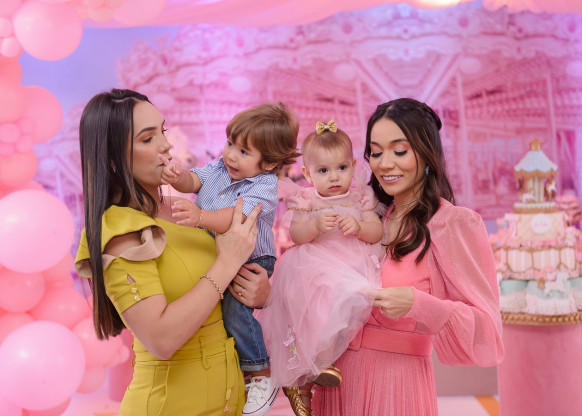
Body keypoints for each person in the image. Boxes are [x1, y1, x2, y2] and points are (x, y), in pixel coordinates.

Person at [74, 89, 271, 416]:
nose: (166, 145)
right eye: (147, 138)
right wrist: (227, 263)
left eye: (162, 131)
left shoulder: (183, 209)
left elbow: (218, 301)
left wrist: (260, 292)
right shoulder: (121, 230)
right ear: (112, 159)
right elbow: (161, 339)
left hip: (228, 398)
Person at [311, 98, 505, 415]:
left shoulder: (451, 223)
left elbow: (488, 333)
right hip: (337, 380)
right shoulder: (366, 216)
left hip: (396, 385)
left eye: (399, 151)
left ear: (427, 154)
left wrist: (420, 304)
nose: (385, 163)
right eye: (376, 152)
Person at [160, 102, 300, 416]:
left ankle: (260, 372)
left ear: (269, 163)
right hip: (219, 254)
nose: (231, 156)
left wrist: (200, 216)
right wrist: (177, 176)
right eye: (230, 144)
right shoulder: (219, 168)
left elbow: (235, 217)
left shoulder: (265, 187)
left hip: (251, 259)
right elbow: (193, 181)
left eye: (244, 152)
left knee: (235, 310)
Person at [258, 120, 383, 416]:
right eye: (324, 171)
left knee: (345, 302)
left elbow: (376, 231)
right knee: (317, 304)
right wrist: (314, 225)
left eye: (342, 168)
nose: (334, 177)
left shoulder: (360, 198)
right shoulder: (307, 200)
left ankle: (322, 363)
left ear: (353, 166)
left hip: (350, 262)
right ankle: (314, 366)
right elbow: (296, 235)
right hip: (315, 265)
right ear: (307, 174)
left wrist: (359, 226)